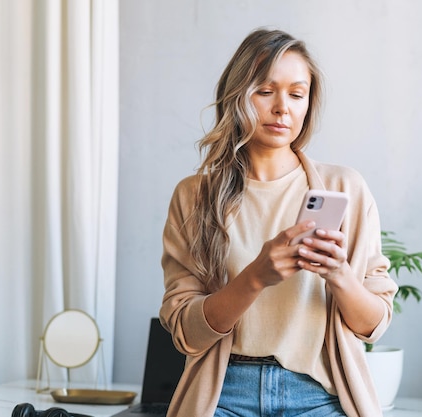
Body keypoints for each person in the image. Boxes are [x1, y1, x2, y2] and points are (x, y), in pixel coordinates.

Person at [159, 28, 398, 417]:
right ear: (237, 96)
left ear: (308, 104)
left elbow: (374, 324)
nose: (282, 107)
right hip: (223, 395)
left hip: (318, 395)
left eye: (296, 94)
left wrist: (340, 275)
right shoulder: (194, 196)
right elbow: (185, 332)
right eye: (265, 91)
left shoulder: (346, 188)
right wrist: (255, 277)